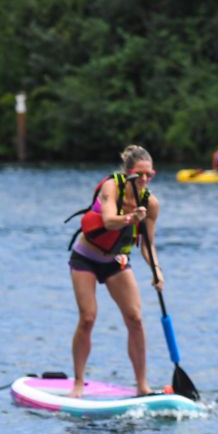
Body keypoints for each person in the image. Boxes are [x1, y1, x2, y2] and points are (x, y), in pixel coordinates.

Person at [68, 145, 163, 397]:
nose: (143, 180)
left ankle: (142, 385)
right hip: (85, 258)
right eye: (138, 175)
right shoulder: (112, 187)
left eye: (148, 175)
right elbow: (109, 221)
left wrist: (156, 271)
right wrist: (131, 218)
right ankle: (78, 382)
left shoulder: (151, 204)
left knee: (136, 319)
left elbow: (148, 244)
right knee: (88, 318)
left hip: (116, 261)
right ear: (127, 173)